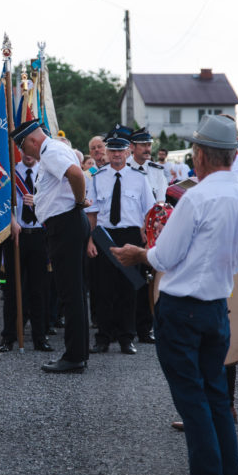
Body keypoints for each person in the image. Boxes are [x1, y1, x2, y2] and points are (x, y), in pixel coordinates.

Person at [113, 114, 238, 475]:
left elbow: (164, 256)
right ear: (231, 155)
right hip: (217, 308)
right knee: (216, 396)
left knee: (192, 400)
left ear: (201, 155)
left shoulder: (196, 198)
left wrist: (138, 254)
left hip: (182, 309)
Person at [13, 119, 90, 373]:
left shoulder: (50, 151)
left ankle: (74, 356)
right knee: (74, 291)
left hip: (65, 224)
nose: (23, 153)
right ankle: (78, 352)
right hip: (66, 223)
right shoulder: (56, 149)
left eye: (23, 147)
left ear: (33, 141)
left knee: (70, 292)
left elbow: (76, 174)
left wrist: (79, 201)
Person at [86, 135, 155, 354]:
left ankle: (127, 338)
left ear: (127, 152)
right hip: (104, 235)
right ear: (107, 153)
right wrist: (90, 240)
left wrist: (147, 239)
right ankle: (103, 338)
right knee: (103, 289)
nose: (116, 155)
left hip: (130, 235)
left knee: (129, 288)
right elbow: (91, 213)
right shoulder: (97, 178)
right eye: (112, 151)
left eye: (120, 151)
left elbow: (149, 211)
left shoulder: (139, 178)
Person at [0, 151, 53, 353]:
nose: (28, 155)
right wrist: (11, 221)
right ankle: (8, 337)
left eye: (31, 151)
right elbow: (0, 202)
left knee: (38, 289)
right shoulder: (10, 174)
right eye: (24, 151)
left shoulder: (47, 173)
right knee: (12, 289)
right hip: (15, 235)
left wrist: (38, 202)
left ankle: (40, 337)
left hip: (39, 235)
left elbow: (56, 201)